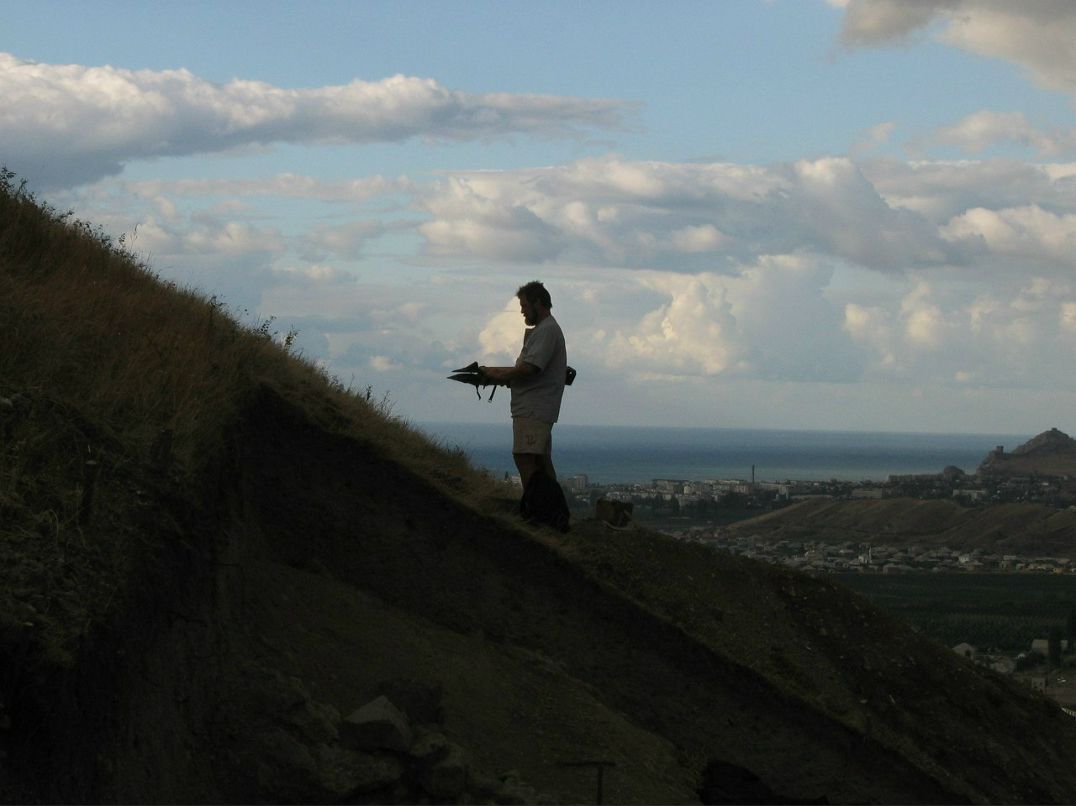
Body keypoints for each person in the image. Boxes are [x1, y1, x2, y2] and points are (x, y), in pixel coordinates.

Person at [480, 281, 567, 490]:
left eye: (524, 306)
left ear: (538, 303)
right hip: (533, 408)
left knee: (526, 459)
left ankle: (536, 509)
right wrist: (498, 373)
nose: (521, 311)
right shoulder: (544, 330)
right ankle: (550, 512)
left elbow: (530, 368)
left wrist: (498, 374)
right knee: (540, 462)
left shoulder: (547, 330)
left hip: (534, 409)